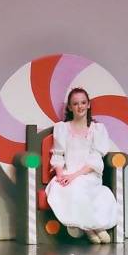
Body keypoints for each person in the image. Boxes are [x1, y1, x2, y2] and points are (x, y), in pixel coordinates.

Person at [46, 87, 118, 244]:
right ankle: (91, 229)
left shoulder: (97, 129)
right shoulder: (62, 128)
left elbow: (95, 159)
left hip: (88, 174)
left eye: (83, 103)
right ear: (70, 107)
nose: (80, 107)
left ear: (89, 105)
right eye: (76, 103)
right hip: (67, 172)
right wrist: (60, 174)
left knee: (79, 185)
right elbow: (58, 155)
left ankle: (93, 228)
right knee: (63, 188)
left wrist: (74, 176)